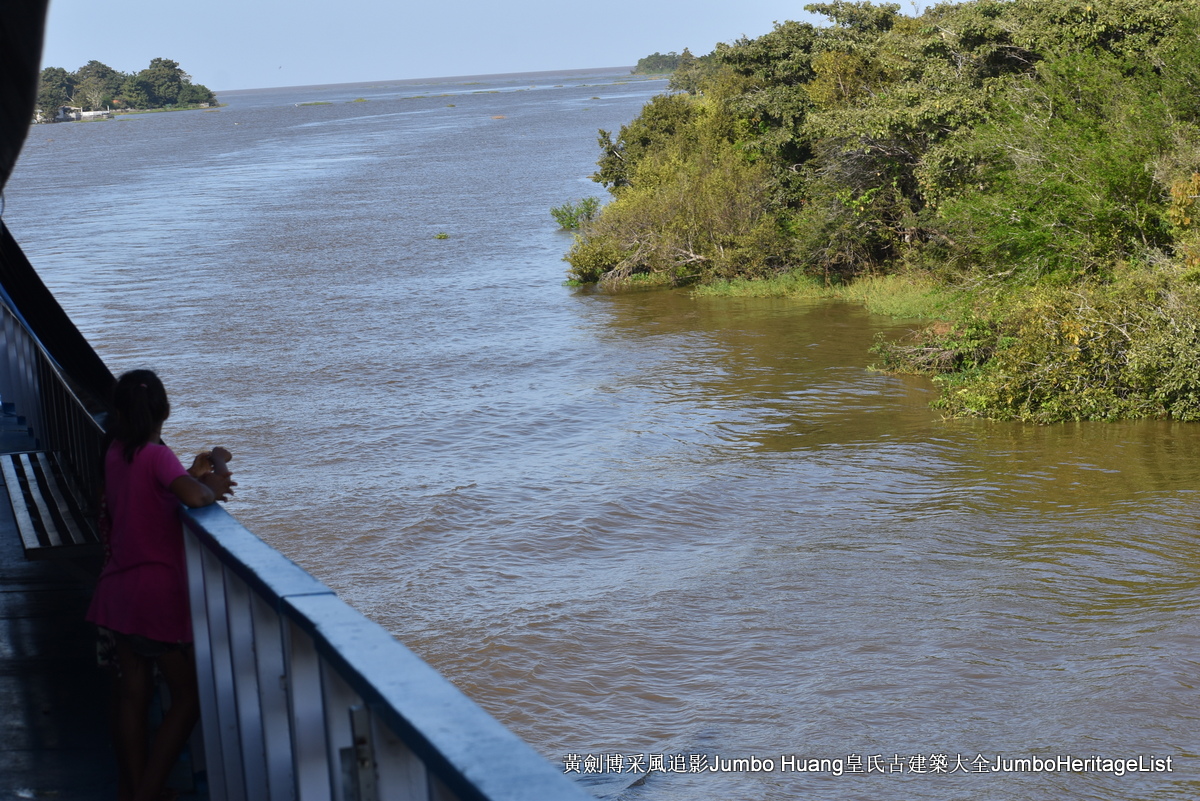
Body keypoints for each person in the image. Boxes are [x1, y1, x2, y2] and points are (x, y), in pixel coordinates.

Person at [85, 369, 236, 801]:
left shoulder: (116, 451)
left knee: (133, 694)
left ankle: (131, 788)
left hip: (118, 592)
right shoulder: (155, 454)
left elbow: (152, 494)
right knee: (188, 697)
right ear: (164, 411)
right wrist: (215, 470)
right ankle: (146, 795)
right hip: (154, 598)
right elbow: (195, 498)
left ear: (120, 411)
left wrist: (192, 473)